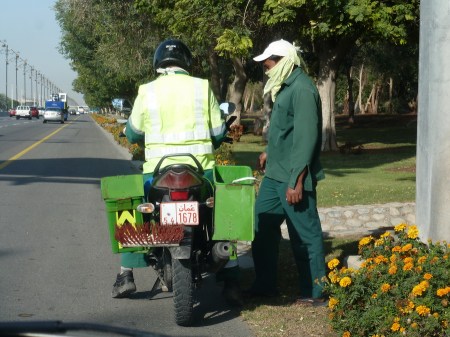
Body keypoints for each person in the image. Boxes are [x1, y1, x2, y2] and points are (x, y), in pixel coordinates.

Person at [112, 38, 241, 306]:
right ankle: (231, 278)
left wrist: (133, 133)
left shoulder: (146, 91)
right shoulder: (201, 87)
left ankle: (126, 273)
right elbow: (218, 132)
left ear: (159, 63)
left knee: (135, 209)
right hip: (200, 171)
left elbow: (134, 132)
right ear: (186, 62)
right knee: (222, 215)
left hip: (157, 174)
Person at [247, 39, 326, 304]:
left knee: (305, 235)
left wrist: (297, 181)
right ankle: (265, 284)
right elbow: (286, 130)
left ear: (284, 60)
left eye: (268, 63)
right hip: (274, 175)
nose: (266, 68)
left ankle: (315, 291)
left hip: (292, 176)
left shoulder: (302, 89)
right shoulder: (285, 87)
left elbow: (306, 138)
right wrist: (271, 150)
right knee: (262, 226)